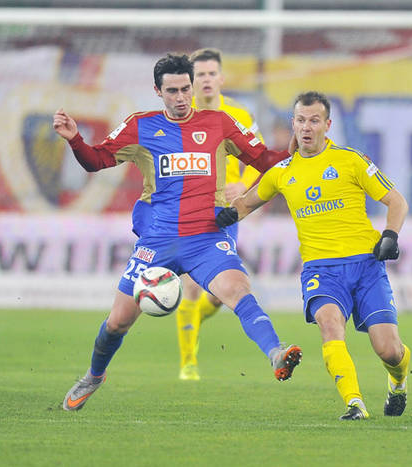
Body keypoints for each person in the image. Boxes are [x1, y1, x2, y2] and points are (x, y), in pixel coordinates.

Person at [54, 53, 302, 412]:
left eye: (186, 88)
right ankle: (94, 375)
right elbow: (96, 161)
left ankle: (276, 353)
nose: (182, 97)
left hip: (207, 238)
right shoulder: (140, 126)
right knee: (118, 322)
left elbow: (264, 160)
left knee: (238, 290)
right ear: (158, 91)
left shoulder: (219, 123)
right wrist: (75, 139)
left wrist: (296, 149)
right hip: (158, 241)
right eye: (173, 91)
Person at [218, 91, 411, 420]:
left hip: (366, 266)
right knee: (330, 324)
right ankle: (355, 403)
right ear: (293, 124)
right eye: (301, 120)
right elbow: (246, 204)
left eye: (314, 121)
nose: (307, 127)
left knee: (389, 350)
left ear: (327, 125)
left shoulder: (351, 160)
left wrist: (390, 235)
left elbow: (397, 201)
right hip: (321, 270)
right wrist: (220, 217)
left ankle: (398, 381)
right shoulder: (282, 172)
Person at [174, 48, 265, 381]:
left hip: (226, 213)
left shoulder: (239, 114)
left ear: (222, 78)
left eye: (212, 73)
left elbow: (261, 159)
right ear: (190, 81)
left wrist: (242, 184)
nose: (207, 79)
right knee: (191, 285)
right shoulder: (179, 115)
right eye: (200, 74)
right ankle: (188, 363)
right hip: (190, 210)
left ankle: (192, 321)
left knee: (217, 295)